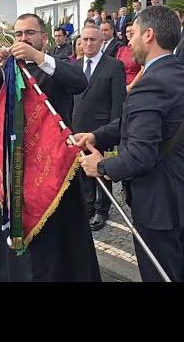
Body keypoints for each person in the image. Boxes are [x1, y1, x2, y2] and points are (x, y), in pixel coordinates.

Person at [0, 13, 100, 282]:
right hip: (16, 166)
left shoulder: (56, 65)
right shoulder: (8, 71)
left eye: (29, 33)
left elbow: (78, 82)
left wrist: (37, 58)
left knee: (56, 235)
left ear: (44, 38)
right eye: (18, 34)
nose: (23, 39)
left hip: (53, 167)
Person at [76, 6, 184, 282]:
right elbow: (132, 123)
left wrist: (99, 165)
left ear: (149, 35)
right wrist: (97, 136)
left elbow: (140, 156)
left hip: (161, 206)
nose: (129, 41)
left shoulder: (152, 83)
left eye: (132, 34)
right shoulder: (177, 73)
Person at [72, 25, 126, 231]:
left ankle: (102, 209)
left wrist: (113, 132)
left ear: (101, 41)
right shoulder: (75, 66)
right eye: (84, 40)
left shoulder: (114, 66)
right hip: (78, 128)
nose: (87, 44)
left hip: (103, 130)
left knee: (103, 170)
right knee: (84, 167)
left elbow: (118, 102)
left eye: (92, 40)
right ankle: (87, 205)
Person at [115, 22, 142, 88]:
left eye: (132, 31)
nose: (129, 33)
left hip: (136, 85)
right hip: (120, 83)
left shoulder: (141, 49)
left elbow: (143, 70)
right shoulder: (121, 49)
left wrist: (131, 86)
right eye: (127, 31)